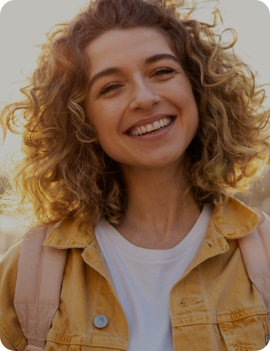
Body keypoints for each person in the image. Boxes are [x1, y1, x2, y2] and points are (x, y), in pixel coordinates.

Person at [0, 0, 270, 350]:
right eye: (111, 87)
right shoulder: (26, 270)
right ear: (82, 121)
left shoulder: (263, 255)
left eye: (162, 71)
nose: (144, 98)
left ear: (198, 87)